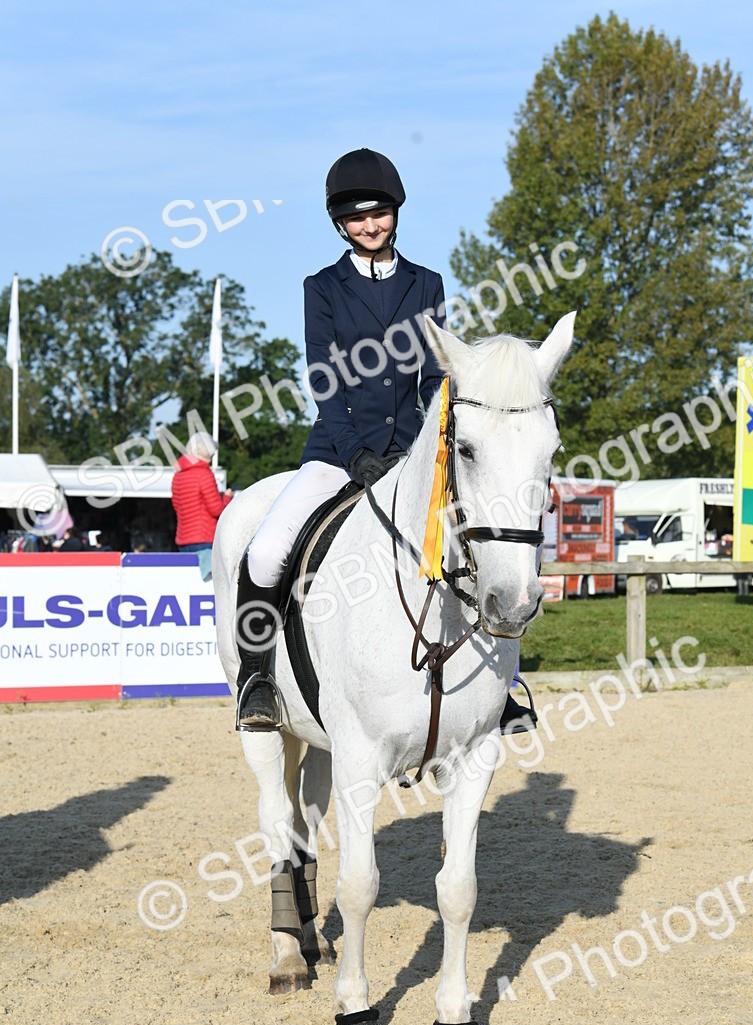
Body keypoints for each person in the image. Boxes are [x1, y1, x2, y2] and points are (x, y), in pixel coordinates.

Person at [236, 147, 537, 738]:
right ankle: (258, 678)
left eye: (378, 213)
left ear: (395, 212)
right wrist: (354, 454)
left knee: (479, 542)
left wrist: (418, 448)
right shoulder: (323, 288)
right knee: (267, 551)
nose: (369, 225)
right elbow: (324, 379)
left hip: (413, 453)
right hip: (337, 452)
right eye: (356, 217)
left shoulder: (427, 284)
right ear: (339, 223)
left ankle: (499, 690)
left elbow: (433, 375)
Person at [171, 432, 233, 580]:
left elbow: (177, 506)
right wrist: (227, 498)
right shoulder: (204, 474)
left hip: (183, 540)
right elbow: (216, 510)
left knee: (189, 584)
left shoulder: (178, 475)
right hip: (205, 540)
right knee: (210, 585)